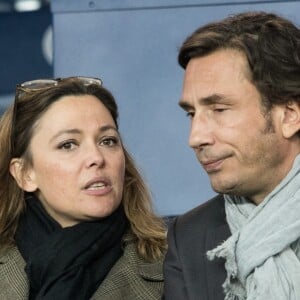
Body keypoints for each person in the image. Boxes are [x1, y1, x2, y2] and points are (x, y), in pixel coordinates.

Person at [163, 11, 300, 300]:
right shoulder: (188, 236)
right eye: (191, 113)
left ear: (289, 115)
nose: (195, 138)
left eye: (219, 110)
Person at [0, 76, 167, 300]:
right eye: (68, 144)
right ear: (25, 174)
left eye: (107, 141)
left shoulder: (176, 263)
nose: (96, 157)